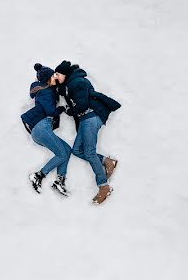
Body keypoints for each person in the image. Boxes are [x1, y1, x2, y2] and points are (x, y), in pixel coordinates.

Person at [52, 60, 121, 205]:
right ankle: (107, 161)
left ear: (64, 73)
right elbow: (67, 92)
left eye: (58, 74)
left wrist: (69, 111)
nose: (56, 76)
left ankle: (104, 187)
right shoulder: (70, 84)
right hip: (85, 119)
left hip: (90, 117)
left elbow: (82, 104)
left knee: (89, 152)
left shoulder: (77, 82)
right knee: (77, 150)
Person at [21, 63, 71, 196]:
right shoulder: (45, 92)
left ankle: (59, 180)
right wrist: (61, 109)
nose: (55, 77)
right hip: (41, 127)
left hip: (42, 128)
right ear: (48, 78)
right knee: (61, 154)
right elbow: (50, 110)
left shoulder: (47, 91)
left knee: (66, 150)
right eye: (53, 76)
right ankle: (39, 175)